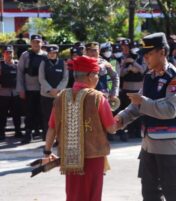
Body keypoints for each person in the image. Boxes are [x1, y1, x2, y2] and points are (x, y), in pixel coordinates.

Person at [116, 32, 176, 201]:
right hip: (148, 145)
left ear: (162, 52)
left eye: (149, 54)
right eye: (144, 55)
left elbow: (170, 109)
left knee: (173, 192)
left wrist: (143, 101)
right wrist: (120, 119)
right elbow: (136, 106)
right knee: (149, 193)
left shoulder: (174, 78)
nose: (145, 58)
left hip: (168, 145)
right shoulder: (149, 76)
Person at [43, 55, 116, 201]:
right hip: (94, 158)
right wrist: (121, 120)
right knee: (92, 196)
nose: (97, 78)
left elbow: (52, 127)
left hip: (70, 158)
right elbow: (111, 128)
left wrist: (47, 152)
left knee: (74, 195)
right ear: (89, 76)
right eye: (96, 74)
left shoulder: (60, 97)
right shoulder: (97, 98)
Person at [17, 34, 47, 144]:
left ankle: (44, 133)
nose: (36, 44)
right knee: (29, 113)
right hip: (29, 89)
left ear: (42, 43)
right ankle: (28, 134)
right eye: (34, 42)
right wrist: (21, 89)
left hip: (43, 89)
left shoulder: (46, 55)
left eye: (38, 42)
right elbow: (20, 72)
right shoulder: (25, 55)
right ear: (31, 43)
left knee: (43, 112)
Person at [38, 44, 68, 140]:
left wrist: (58, 89)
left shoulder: (63, 63)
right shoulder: (43, 63)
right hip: (46, 94)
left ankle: (59, 138)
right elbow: (41, 78)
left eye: (54, 53)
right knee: (46, 116)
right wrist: (50, 89)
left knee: (60, 117)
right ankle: (47, 138)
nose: (51, 55)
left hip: (59, 95)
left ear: (57, 53)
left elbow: (65, 78)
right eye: (50, 53)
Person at [119, 41, 146, 139]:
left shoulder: (142, 57)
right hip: (127, 87)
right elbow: (120, 73)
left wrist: (134, 64)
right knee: (128, 110)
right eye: (132, 47)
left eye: (136, 47)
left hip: (138, 88)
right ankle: (130, 131)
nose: (134, 49)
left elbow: (143, 69)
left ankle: (138, 131)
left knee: (139, 110)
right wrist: (128, 68)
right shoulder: (125, 58)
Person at [0, 45, 22, 140]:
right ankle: (1, 133)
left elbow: (21, 79)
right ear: (3, 54)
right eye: (7, 52)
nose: (9, 54)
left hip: (15, 93)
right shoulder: (1, 65)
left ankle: (18, 131)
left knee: (17, 114)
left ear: (14, 53)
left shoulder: (18, 64)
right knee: (2, 114)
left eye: (10, 52)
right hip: (3, 93)